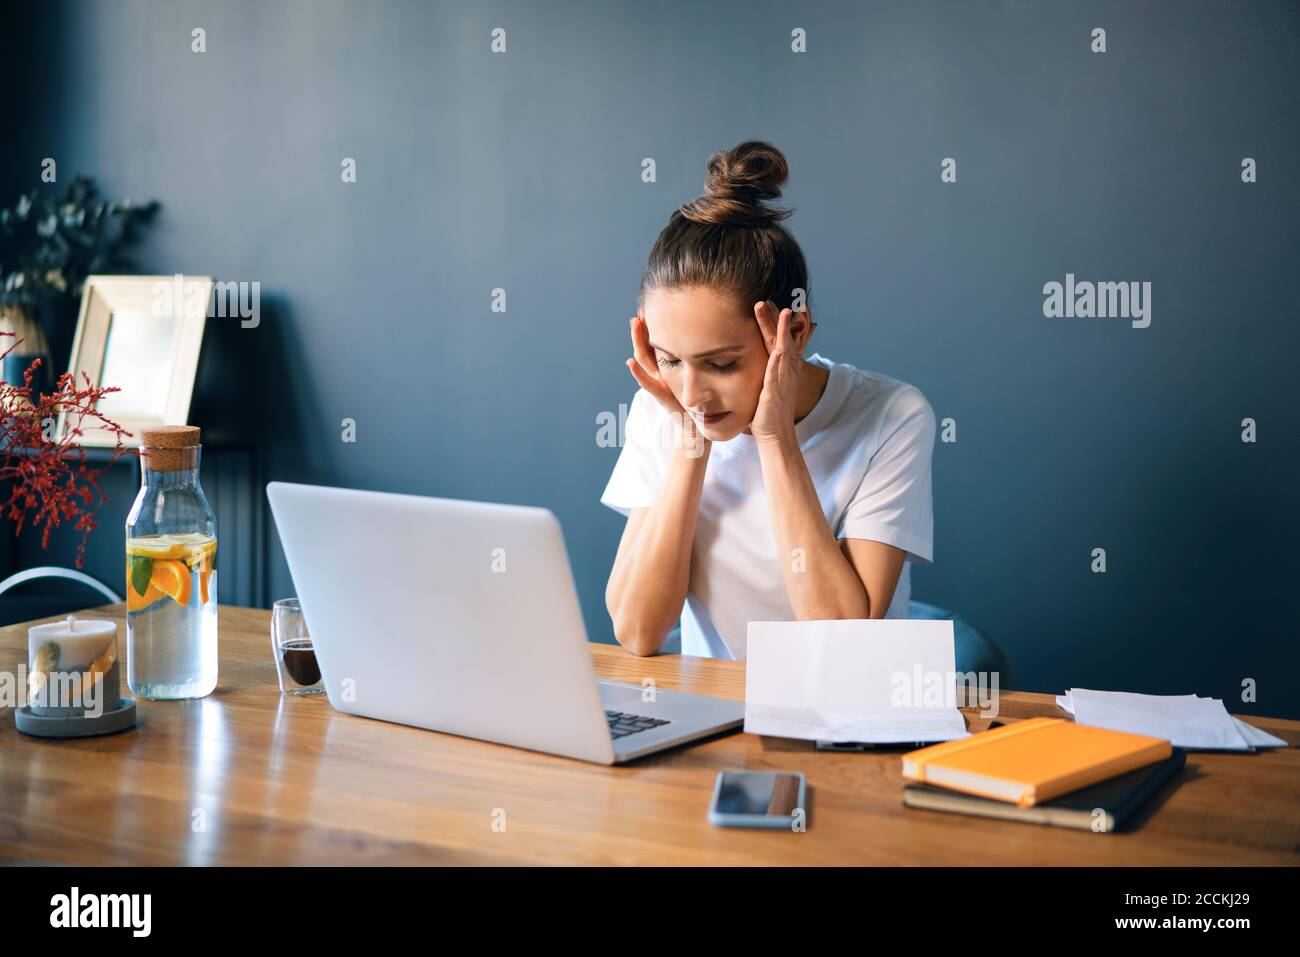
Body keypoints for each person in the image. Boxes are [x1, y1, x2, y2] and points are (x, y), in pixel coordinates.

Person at [601, 140, 935, 659]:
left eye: (721, 363)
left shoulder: (891, 415)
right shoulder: (663, 410)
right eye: (669, 359)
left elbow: (844, 642)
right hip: (714, 713)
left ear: (794, 333)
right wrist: (690, 447)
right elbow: (639, 631)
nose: (691, 394)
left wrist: (775, 438)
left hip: (849, 718)